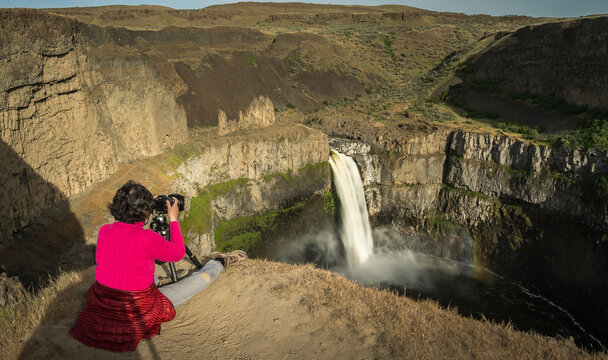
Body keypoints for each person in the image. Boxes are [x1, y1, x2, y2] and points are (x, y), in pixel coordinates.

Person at [70, 180, 247, 352]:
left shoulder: (104, 231)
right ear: (144, 211)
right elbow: (177, 253)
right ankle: (219, 261)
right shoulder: (147, 238)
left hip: (103, 302)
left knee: (138, 272)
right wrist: (173, 218)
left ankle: (162, 281)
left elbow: (128, 250)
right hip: (137, 307)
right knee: (200, 281)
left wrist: (146, 204)